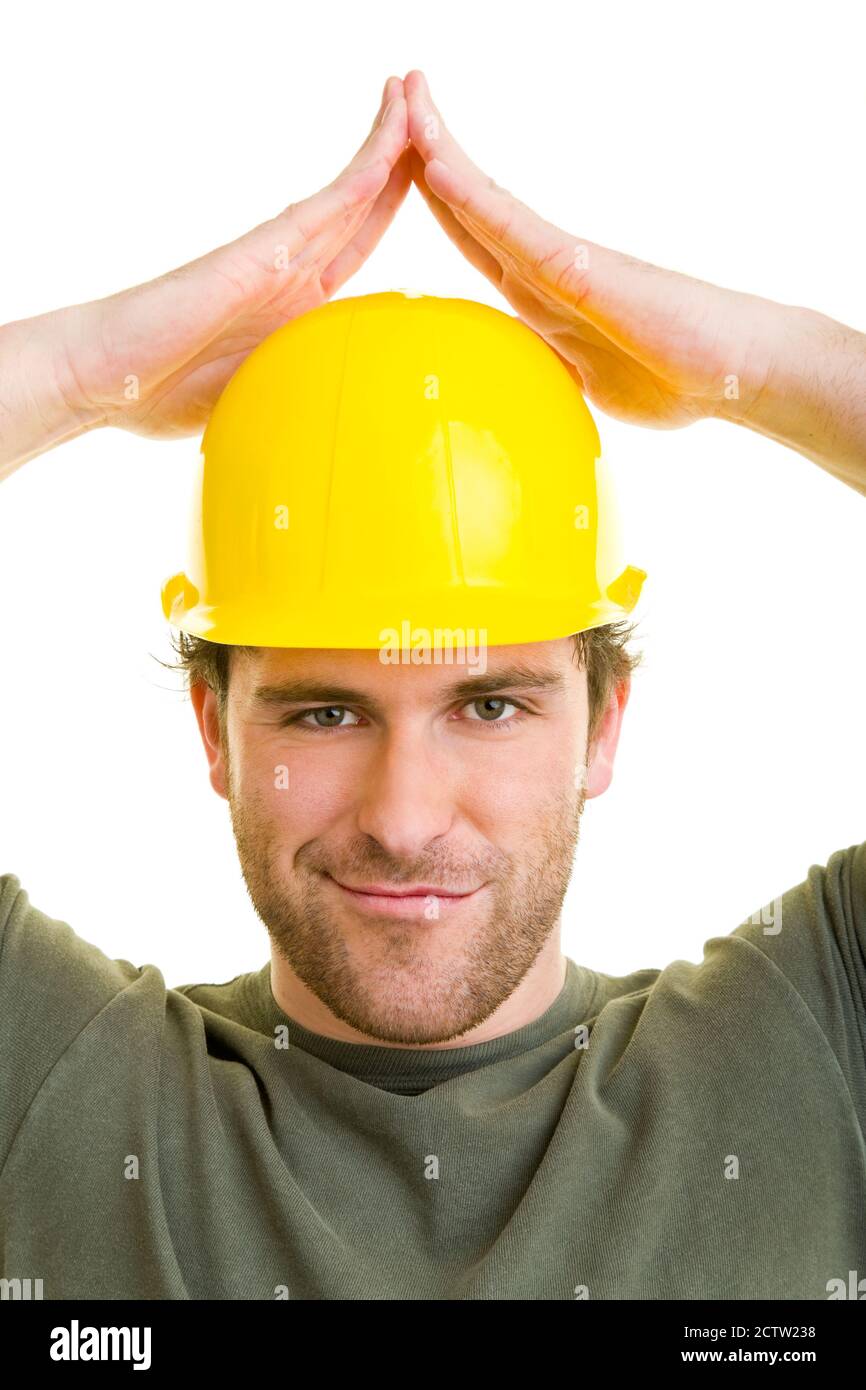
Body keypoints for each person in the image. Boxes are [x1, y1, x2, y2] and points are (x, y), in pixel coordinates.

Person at [1, 69, 864, 1302]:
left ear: (601, 722)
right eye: (325, 710)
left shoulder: (812, 1047)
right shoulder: (55, 1091)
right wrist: (83, 367)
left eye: (489, 704)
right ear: (213, 728)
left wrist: (760, 363)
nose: (404, 818)